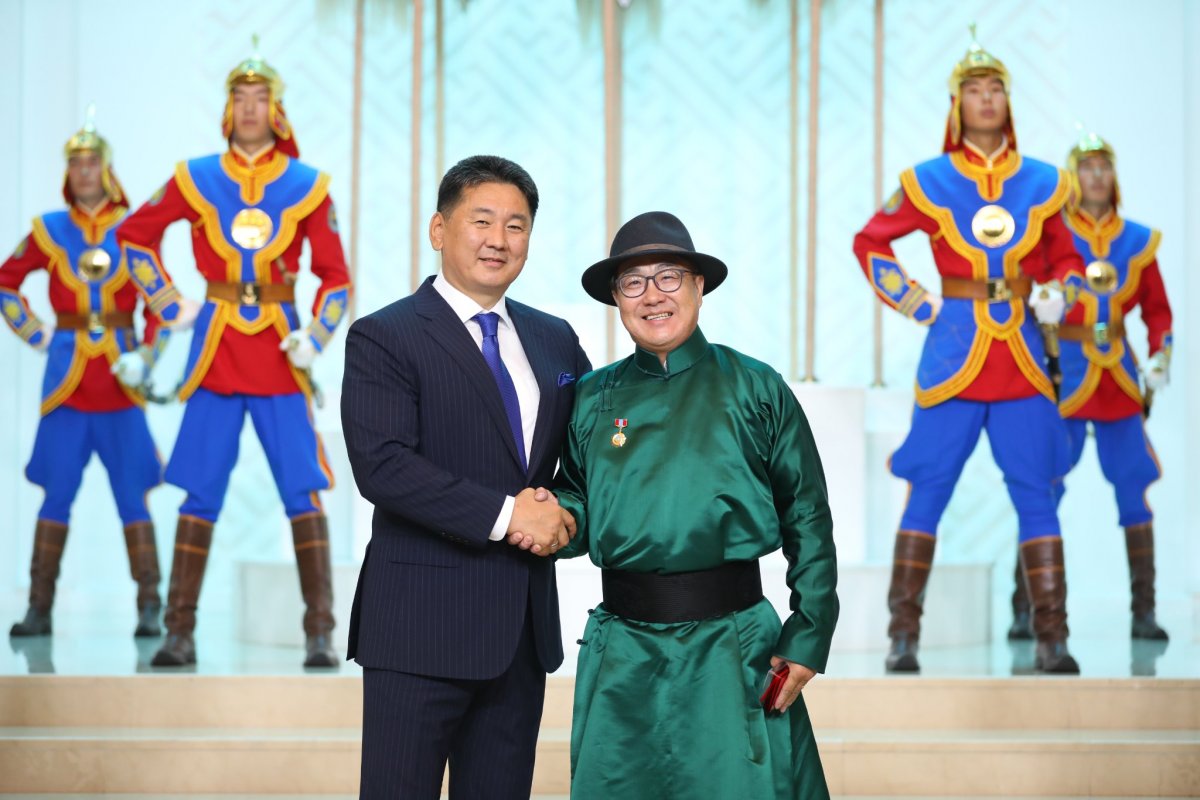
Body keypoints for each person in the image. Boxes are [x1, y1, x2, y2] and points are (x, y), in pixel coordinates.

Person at [547, 211, 838, 800]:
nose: (652, 295)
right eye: (633, 282)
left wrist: (809, 634)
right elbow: (576, 498)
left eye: (669, 277)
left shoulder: (755, 386)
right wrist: (546, 518)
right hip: (623, 651)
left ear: (699, 286)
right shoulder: (592, 397)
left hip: (735, 646)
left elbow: (806, 514)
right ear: (616, 298)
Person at [340, 155, 591, 800]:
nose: (498, 239)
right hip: (418, 628)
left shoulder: (555, 339)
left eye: (516, 225)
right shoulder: (385, 335)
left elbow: (586, 454)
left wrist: (563, 510)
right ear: (438, 229)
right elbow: (384, 466)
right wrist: (510, 516)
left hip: (520, 635)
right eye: (482, 221)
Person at [851, 28, 1085, 674]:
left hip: (1024, 356)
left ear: (1008, 101)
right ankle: (903, 636)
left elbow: (1068, 259)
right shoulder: (927, 179)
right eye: (974, 89)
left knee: (1037, 491)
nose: (986, 98)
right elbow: (870, 242)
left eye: (996, 89)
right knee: (927, 489)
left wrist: (1059, 292)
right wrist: (916, 302)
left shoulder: (1046, 181)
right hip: (953, 352)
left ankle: (1052, 638)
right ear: (957, 104)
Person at [116, 44, 351, 668]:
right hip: (215, 351)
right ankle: (179, 632)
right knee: (199, 491)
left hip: (280, 350)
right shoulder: (193, 177)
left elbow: (336, 278)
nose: (250, 108)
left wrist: (316, 336)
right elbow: (134, 237)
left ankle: (320, 632)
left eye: (260, 98)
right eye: (240, 98)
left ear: (276, 109)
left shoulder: (308, 186)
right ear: (228, 108)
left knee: (303, 489)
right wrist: (167, 302)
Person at [1, 111, 190, 639]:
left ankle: (150, 605)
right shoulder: (49, 230)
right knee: (56, 494)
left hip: (120, 385)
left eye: (91, 162)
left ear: (106, 168)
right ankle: (39, 608)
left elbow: (160, 302)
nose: (84, 171)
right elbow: (6, 283)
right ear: (68, 171)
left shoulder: (133, 231)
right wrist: (37, 334)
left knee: (133, 495)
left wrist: (147, 356)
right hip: (66, 386)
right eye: (75, 163)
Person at [1009, 131, 1173, 641]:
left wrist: (1160, 354)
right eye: (1087, 167)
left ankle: (1144, 612)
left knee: (1133, 487)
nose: (1097, 176)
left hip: (1118, 379)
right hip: (1066, 375)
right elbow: (1028, 295)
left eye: (1104, 166)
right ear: (1073, 176)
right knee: (1044, 487)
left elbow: (1158, 311)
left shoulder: (1137, 241)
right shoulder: (1053, 237)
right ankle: (1024, 608)